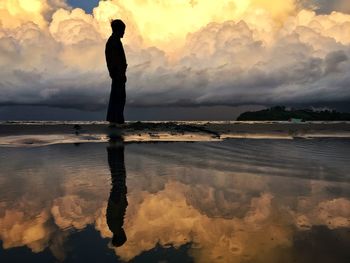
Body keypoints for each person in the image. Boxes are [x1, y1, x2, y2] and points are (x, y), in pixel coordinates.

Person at [106, 137, 128, 247]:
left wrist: (121, 198)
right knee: (118, 172)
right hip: (117, 197)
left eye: (124, 235)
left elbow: (114, 210)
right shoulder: (116, 227)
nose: (125, 232)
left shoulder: (115, 227)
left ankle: (115, 147)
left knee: (118, 172)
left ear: (120, 236)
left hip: (117, 197)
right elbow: (118, 212)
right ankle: (115, 148)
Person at [105, 19, 127, 125]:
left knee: (118, 97)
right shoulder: (114, 41)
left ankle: (115, 119)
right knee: (118, 97)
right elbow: (114, 60)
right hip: (117, 74)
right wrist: (120, 74)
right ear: (118, 30)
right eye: (123, 30)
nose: (124, 32)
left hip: (118, 74)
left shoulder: (115, 41)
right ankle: (116, 120)